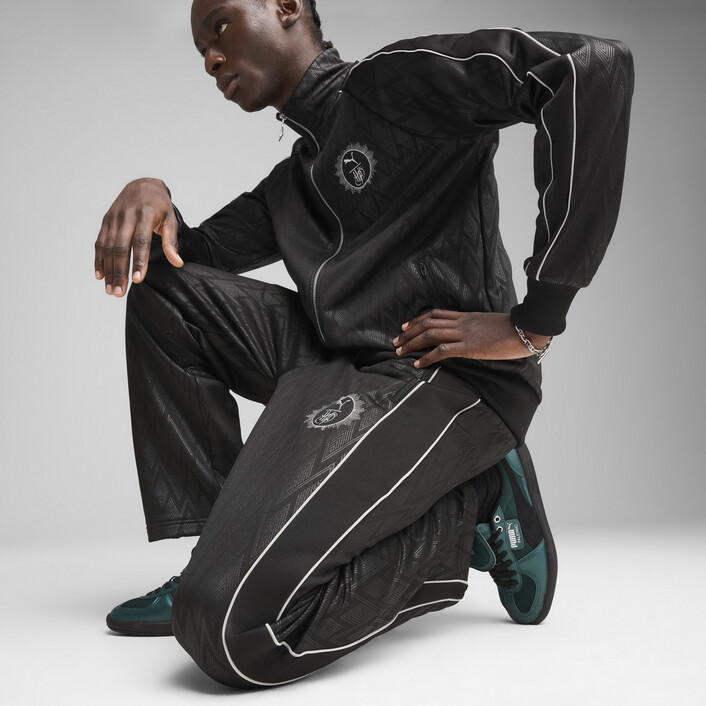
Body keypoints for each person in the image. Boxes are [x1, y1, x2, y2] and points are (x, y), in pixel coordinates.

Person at [95, 0, 634, 688]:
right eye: (200, 48)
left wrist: (536, 320)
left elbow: (586, 68)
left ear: (286, 6)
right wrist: (152, 190)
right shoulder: (290, 187)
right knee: (164, 295)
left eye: (221, 26)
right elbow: (183, 264)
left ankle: (471, 503)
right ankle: (213, 555)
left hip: (448, 376)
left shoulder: (398, 83)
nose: (211, 58)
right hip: (348, 365)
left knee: (229, 634)